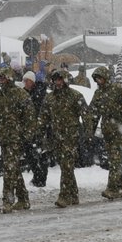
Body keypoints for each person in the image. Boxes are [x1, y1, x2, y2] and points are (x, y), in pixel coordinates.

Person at [0, 68, 33, 212]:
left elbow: (30, 117)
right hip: (4, 138)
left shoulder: (20, 95)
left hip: (17, 138)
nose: (1, 81)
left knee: (9, 169)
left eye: (3, 78)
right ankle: (23, 199)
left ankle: (7, 201)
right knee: (13, 168)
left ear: (9, 78)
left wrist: (27, 136)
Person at [87, 66, 122, 200]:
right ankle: (121, 189)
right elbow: (93, 114)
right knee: (113, 160)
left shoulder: (119, 90)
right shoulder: (98, 94)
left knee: (114, 160)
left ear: (106, 77)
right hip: (107, 132)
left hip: (120, 132)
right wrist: (89, 132)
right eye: (96, 78)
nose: (98, 81)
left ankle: (113, 188)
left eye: (100, 77)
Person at [41, 67, 88, 208]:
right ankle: (73, 194)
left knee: (67, 165)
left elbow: (86, 115)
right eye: (56, 79)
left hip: (71, 137)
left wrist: (88, 133)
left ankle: (65, 196)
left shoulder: (75, 96)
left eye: (60, 79)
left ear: (66, 80)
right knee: (65, 167)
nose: (58, 82)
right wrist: (38, 131)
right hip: (56, 137)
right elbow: (43, 117)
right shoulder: (50, 98)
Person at [22, 70, 50, 188]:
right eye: (24, 81)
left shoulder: (40, 94)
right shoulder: (24, 93)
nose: (25, 83)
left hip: (40, 128)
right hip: (29, 129)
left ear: (32, 81)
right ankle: (38, 176)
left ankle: (41, 177)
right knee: (31, 153)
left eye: (27, 81)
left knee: (41, 154)